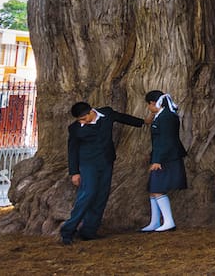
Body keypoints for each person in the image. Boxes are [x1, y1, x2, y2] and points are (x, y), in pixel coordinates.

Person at [60, 100, 145, 244]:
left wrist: (143, 122)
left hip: (106, 162)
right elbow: (72, 150)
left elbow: (123, 118)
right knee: (87, 194)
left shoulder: (107, 114)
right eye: (80, 120)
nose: (83, 122)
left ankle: (89, 231)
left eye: (84, 118)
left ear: (90, 112)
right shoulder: (75, 129)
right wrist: (74, 172)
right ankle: (68, 231)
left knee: (101, 196)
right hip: (88, 165)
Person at [140, 91, 186, 232]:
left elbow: (165, 140)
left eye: (148, 105)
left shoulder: (166, 117)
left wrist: (157, 160)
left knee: (158, 189)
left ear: (153, 103)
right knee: (153, 189)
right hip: (161, 156)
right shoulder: (162, 115)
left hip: (167, 158)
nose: (148, 108)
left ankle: (169, 221)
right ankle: (155, 222)